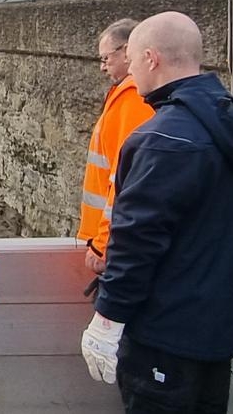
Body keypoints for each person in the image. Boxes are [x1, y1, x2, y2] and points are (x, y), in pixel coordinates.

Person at [80, 12, 233, 413]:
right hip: (214, 333)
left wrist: (107, 320)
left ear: (152, 58)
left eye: (135, 61)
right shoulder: (229, 124)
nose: (131, 73)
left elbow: (137, 242)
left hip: (163, 336)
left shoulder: (162, 139)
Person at [76, 19, 154, 276]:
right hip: (117, 239)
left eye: (105, 58)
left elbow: (124, 177)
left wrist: (102, 244)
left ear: (126, 51)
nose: (102, 67)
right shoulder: (126, 95)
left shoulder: (133, 98)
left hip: (116, 245)